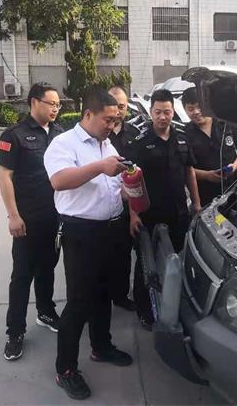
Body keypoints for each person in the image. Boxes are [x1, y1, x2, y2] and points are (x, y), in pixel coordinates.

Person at [44, 88, 132, 400]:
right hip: (81, 233)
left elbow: (113, 186)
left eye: (116, 119)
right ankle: (65, 369)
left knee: (104, 294)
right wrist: (99, 167)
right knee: (79, 302)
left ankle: (101, 346)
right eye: (107, 119)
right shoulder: (63, 143)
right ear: (88, 114)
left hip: (111, 229)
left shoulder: (107, 144)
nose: (112, 125)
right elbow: (59, 181)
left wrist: (130, 187)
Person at [0, 82, 64, 361]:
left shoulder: (59, 134)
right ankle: (15, 332)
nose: (56, 109)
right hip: (27, 219)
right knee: (22, 275)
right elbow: (5, 176)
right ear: (35, 102)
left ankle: (45, 312)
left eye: (58, 105)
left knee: (47, 268)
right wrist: (13, 215)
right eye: (51, 104)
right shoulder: (14, 135)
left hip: (54, 218)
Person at [124, 88, 201, 329]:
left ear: (173, 112)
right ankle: (145, 310)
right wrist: (133, 214)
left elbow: (189, 172)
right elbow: (130, 181)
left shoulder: (182, 138)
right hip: (149, 214)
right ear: (151, 112)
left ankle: (173, 305)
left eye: (167, 112)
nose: (162, 117)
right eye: (158, 112)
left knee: (177, 260)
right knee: (146, 265)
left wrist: (197, 203)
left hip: (178, 212)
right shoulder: (140, 142)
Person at [182, 87, 237, 207]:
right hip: (207, 195)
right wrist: (207, 175)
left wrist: (235, 166)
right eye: (191, 109)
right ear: (185, 110)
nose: (196, 112)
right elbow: (186, 169)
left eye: (200, 106)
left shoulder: (226, 123)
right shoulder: (184, 134)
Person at [107, 85, 139, 311]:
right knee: (100, 256)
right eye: (115, 106)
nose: (119, 111)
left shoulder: (135, 134)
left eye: (122, 106)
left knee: (123, 253)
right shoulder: (98, 132)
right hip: (102, 204)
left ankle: (120, 295)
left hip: (127, 205)